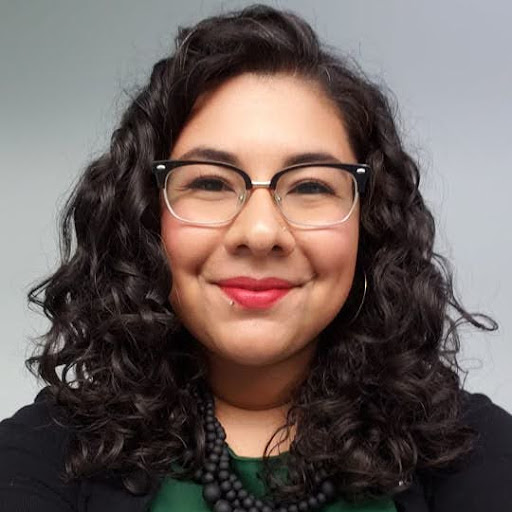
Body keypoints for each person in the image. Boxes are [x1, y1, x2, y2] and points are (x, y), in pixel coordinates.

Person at [1, 4, 511, 512]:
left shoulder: (475, 450)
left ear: (370, 223)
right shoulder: (39, 457)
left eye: (311, 186)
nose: (261, 232)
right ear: (146, 216)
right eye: (210, 183)